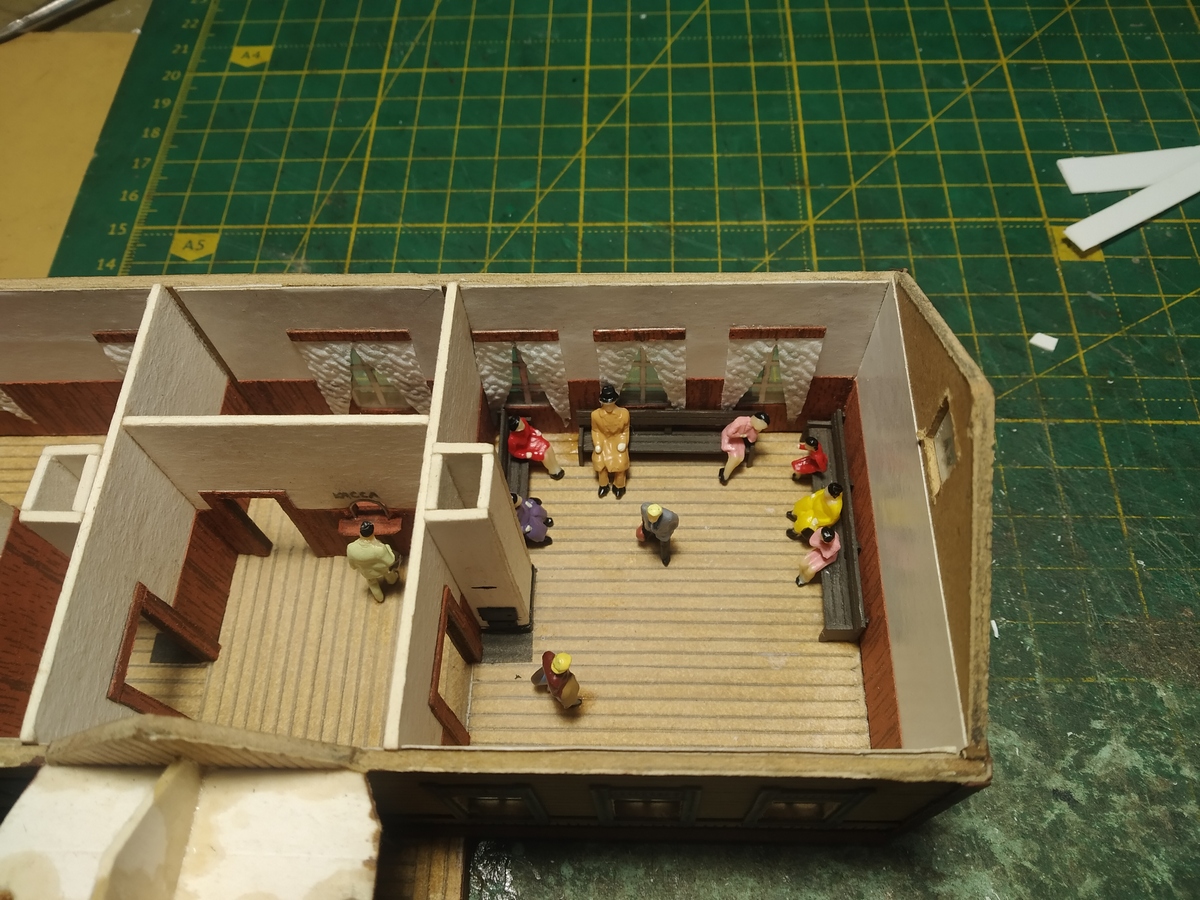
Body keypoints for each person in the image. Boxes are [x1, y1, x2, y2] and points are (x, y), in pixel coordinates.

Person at [591, 383, 630, 499]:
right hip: (604, 440)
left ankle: (619, 485)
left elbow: (625, 431)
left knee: (621, 462)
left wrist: (623, 442)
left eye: (611, 403)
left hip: (617, 439)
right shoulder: (595, 415)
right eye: (606, 403)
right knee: (600, 461)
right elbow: (596, 431)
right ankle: (603, 485)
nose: (608, 406)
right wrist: (598, 444)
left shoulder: (624, 414)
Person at [345, 520, 400, 602]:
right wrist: (387, 548)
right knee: (388, 573)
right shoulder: (379, 549)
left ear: (360, 532)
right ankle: (392, 581)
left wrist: (354, 566)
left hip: (366, 572)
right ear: (372, 533)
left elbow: (352, 563)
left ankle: (379, 598)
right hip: (381, 570)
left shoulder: (351, 547)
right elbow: (390, 561)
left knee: (372, 583)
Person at [718, 411, 770, 484]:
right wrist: (740, 435)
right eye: (761, 426)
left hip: (737, 439)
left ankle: (725, 471)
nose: (761, 429)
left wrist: (756, 432)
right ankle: (724, 476)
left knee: (740, 458)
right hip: (729, 437)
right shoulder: (741, 421)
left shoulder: (753, 428)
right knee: (734, 457)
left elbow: (752, 440)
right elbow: (729, 433)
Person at [637, 502, 679, 566]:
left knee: (664, 546)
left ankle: (665, 558)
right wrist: (644, 526)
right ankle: (648, 537)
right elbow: (643, 518)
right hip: (648, 528)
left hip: (662, 534)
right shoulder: (644, 508)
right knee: (641, 535)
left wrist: (669, 531)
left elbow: (675, 522)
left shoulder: (669, 517)